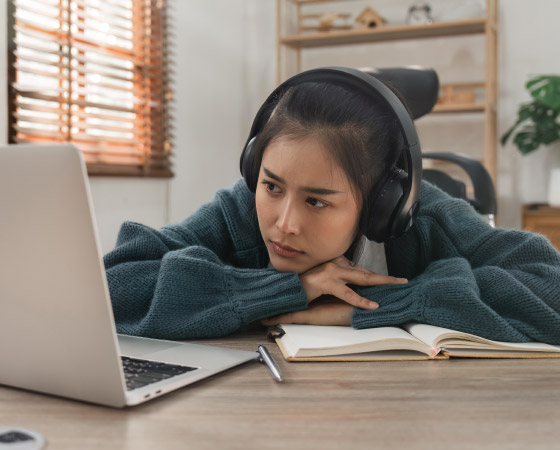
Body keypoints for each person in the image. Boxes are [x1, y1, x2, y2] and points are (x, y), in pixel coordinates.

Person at [104, 68, 560, 345]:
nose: (284, 224)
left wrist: (372, 305)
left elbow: (549, 286)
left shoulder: (426, 219)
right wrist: (286, 290)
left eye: (317, 201)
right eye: (272, 186)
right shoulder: (240, 210)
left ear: (382, 202)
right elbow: (110, 286)